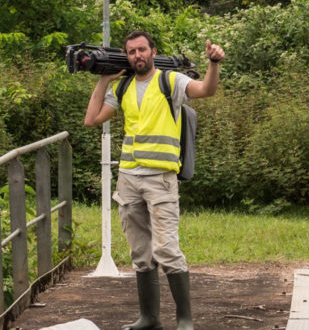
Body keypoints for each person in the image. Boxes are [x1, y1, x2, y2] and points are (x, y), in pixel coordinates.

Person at [84, 30, 225, 330]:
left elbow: (205, 90)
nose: (138, 55)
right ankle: (149, 318)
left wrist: (214, 64)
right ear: (127, 56)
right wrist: (103, 79)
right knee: (141, 252)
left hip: (160, 179)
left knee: (167, 250)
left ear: (152, 51)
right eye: (132, 51)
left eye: (142, 50)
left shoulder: (169, 81)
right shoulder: (123, 87)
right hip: (129, 179)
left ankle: (184, 320)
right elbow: (92, 119)